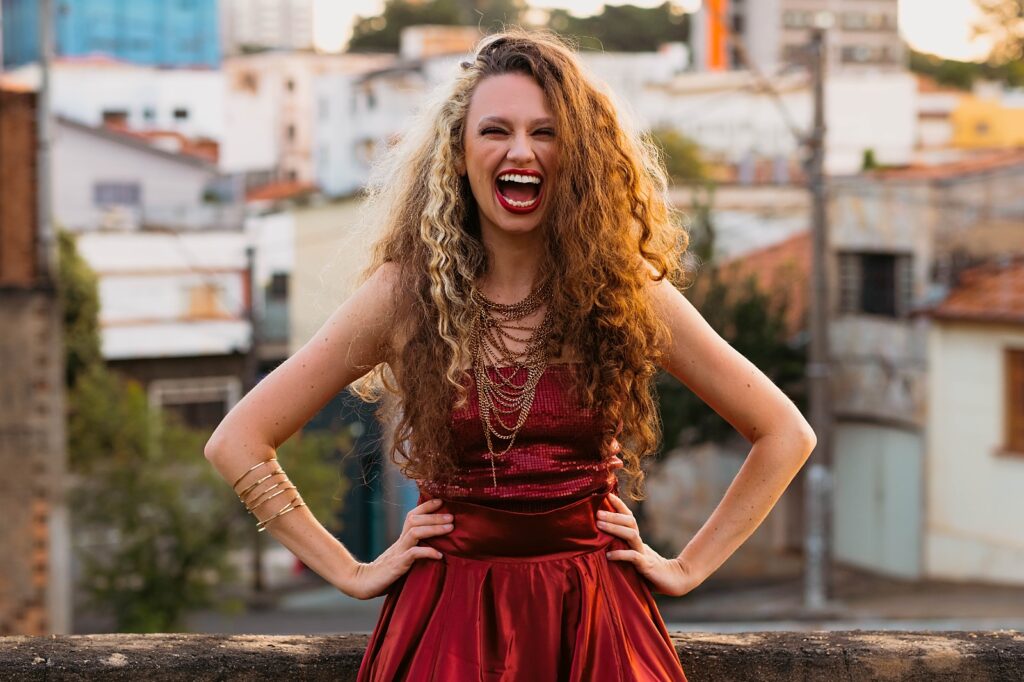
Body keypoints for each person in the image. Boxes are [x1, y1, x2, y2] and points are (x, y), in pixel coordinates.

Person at [204, 29, 816, 681]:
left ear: (576, 154)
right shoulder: (405, 293)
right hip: (448, 628)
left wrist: (687, 567)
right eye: (495, 130)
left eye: (545, 132)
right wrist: (351, 572)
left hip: (595, 622)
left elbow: (785, 433)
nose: (520, 150)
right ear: (458, 153)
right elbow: (238, 441)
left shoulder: (625, 290)